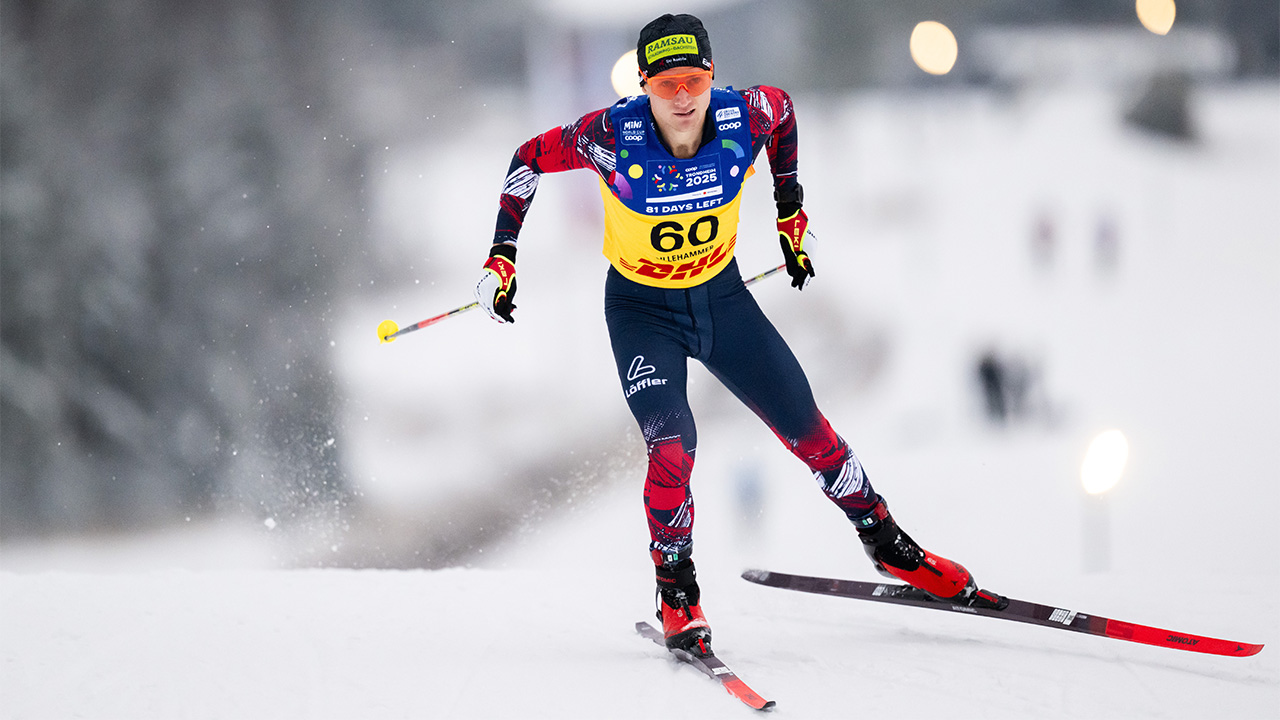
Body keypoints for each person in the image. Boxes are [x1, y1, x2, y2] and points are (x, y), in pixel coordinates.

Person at [474, 13, 1001, 656]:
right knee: (674, 444)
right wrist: (502, 254)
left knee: (810, 430)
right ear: (644, 86)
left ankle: (890, 547)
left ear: (712, 76)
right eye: (666, 85)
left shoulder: (745, 115)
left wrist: (790, 207)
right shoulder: (611, 134)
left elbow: (783, 114)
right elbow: (527, 160)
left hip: (721, 300)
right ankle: (677, 593)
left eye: (693, 80)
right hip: (642, 312)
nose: (683, 98)